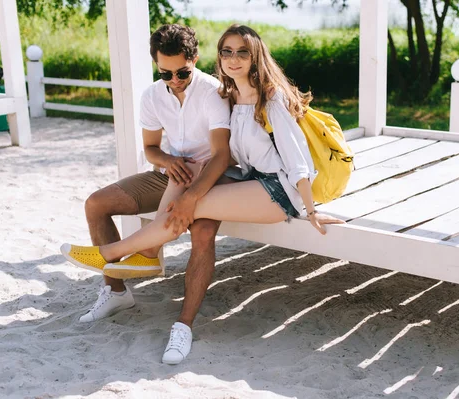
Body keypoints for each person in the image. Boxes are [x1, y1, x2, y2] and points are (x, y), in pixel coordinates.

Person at [61, 24, 344, 364]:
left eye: (242, 52)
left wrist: (309, 211)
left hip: (267, 188)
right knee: (167, 184)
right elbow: (165, 150)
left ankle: (121, 257)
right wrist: (174, 165)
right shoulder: (232, 96)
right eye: (227, 52)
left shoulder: (256, 96)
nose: (233, 59)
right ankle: (132, 269)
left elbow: (288, 163)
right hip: (229, 180)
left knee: (191, 209)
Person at [61, 24, 232, 364]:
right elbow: (152, 149)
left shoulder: (213, 92)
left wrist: (191, 195)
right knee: (97, 203)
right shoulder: (152, 95)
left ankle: (183, 325)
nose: (175, 80)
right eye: (165, 73)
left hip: (212, 179)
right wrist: (169, 161)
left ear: (195, 59)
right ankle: (115, 291)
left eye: (182, 71)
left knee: (201, 232)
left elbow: (221, 155)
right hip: (170, 174)